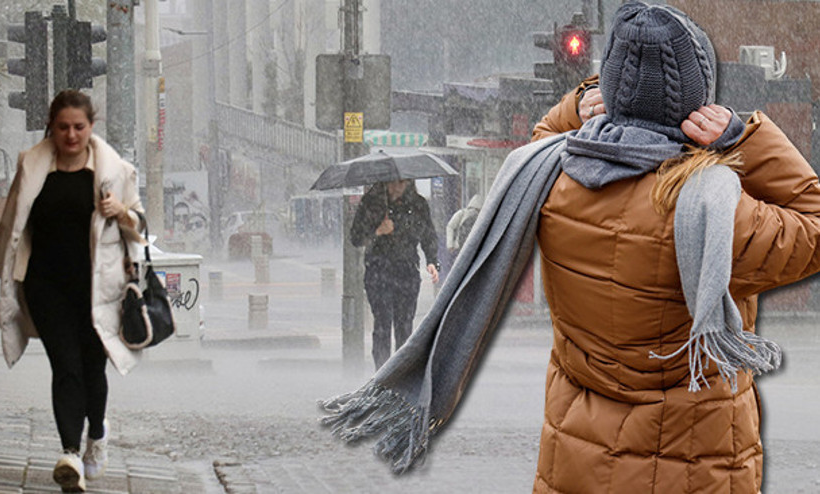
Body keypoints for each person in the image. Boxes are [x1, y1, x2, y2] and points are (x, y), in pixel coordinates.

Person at [320, 3, 820, 492]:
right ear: (698, 103)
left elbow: (542, 139)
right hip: (692, 469)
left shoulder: (554, 181)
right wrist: (744, 137)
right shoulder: (718, 211)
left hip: (578, 464)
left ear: (612, 90)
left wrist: (576, 107)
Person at [0, 90, 145, 492]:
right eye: (63, 127)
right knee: (66, 367)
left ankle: (97, 434)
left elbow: (139, 227)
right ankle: (70, 454)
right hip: (46, 287)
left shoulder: (115, 171)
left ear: (91, 126)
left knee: (93, 369)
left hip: (98, 289)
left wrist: (121, 212)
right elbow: (9, 222)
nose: (71, 135)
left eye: (79, 127)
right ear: (51, 127)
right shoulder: (32, 165)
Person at [350, 179, 440, 369]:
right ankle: (382, 373)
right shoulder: (371, 203)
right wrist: (378, 232)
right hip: (378, 271)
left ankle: (401, 372)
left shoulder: (417, 204)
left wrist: (432, 260)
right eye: (393, 182)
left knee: (404, 326)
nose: (397, 187)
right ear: (385, 182)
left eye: (403, 182)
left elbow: (428, 234)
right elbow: (356, 237)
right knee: (382, 324)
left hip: (406, 271)